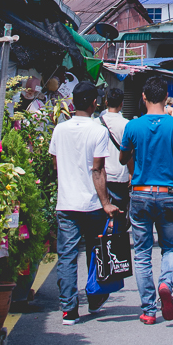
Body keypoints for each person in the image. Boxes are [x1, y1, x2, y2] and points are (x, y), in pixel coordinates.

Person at [119, 75, 173, 325]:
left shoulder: (133, 126)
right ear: (165, 98)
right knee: (170, 247)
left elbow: (122, 158)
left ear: (143, 97)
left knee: (141, 253)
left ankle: (149, 310)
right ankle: (166, 283)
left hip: (140, 193)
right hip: (169, 195)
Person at [49, 80, 121, 325]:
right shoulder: (97, 130)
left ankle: (69, 310)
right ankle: (94, 298)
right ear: (94, 103)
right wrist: (106, 202)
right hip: (91, 204)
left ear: (72, 103)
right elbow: (98, 170)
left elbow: (56, 165)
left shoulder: (60, 129)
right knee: (96, 252)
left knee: (67, 256)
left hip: (66, 203)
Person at [100, 87, 131, 214]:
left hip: (101, 174)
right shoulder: (127, 124)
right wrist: (132, 173)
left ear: (106, 102)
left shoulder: (97, 123)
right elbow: (130, 152)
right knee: (120, 211)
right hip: (120, 174)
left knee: (102, 211)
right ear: (121, 104)